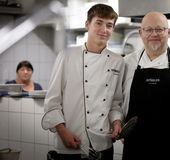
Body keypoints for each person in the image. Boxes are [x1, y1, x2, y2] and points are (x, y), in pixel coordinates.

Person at [41, 4, 125, 160]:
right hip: (71, 141)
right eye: (98, 23)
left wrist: (117, 122)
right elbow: (52, 101)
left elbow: (115, 103)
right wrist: (62, 131)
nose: (104, 29)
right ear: (87, 25)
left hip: (104, 144)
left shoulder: (118, 61)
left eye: (109, 25)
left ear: (113, 29)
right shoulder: (67, 55)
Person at [122, 12, 170, 160]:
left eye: (159, 29)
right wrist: (119, 125)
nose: (154, 34)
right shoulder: (127, 63)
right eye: (148, 29)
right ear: (140, 33)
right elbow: (116, 102)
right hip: (135, 150)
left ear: (169, 32)